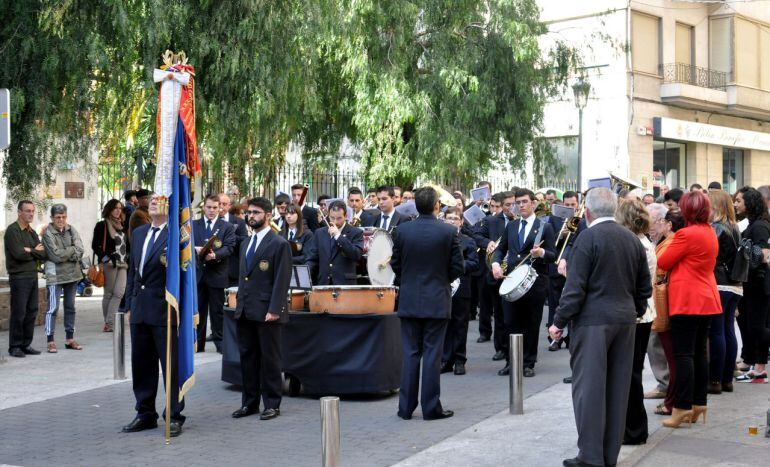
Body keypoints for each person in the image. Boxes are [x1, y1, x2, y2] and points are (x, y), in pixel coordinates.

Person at [549, 187, 651, 467]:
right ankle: (609, 455)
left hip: (593, 322)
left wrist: (558, 322)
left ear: (589, 212)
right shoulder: (632, 239)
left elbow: (575, 288)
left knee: (590, 391)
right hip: (625, 320)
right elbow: (644, 286)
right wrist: (634, 310)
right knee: (618, 391)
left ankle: (591, 456)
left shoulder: (588, 237)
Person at [391, 187, 464, 420]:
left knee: (411, 353)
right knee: (433, 355)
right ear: (436, 206)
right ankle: (431, 408)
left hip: (410, 299)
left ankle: (405, 408)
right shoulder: (448, 232)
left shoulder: (402, 231)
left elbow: (396, 264)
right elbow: (458, 267)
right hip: (437, 300)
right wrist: (442, 280)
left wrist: (409, 281)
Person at [656, 191, 722, 428]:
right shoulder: (709, 232)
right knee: (699, 354)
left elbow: (663, 262)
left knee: (683, 355)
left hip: (687, 299)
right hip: (706, 297)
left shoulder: (685, 234)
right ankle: (698, 403)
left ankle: (681, 407)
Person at [122, 194, 185, 437]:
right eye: (153, 201)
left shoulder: (178, 235)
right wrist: (129, 304)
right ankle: (145, 413)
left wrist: (181, 309)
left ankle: (174, 414)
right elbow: (133, 272)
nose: (155, 203)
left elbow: (188, 275)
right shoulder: (139, 233)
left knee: (170, 366)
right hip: (140, 309)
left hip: (165, 309)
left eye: (161, 200)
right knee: (142, 365)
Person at [231, 197, 292, 421]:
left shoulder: (279, 244)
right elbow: (243, 278)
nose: (251, 216)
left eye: (256, 213)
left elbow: (282, 280)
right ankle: (249, 403)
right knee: (248, 358)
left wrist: (275, 308)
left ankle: (272, 403)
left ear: (268, 215)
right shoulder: (246, 243)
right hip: (246, 309)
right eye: (249, 213)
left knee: (270, 359)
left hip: (268, 311)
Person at [491, 188, 556, 377]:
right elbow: (501, 249)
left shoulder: (544, 227)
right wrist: (496, 264)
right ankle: (511, 362)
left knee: (531, 323)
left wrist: (541, 253)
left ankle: (528, 362)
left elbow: (552, 255)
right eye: (517, 203)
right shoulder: (511, 226)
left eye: (524, 202)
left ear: (533, 203)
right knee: (510, 322)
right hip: (512, 280)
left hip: (535, 282)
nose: (520, 206)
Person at [615, 199, 656, 445]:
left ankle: (634, 430)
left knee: (630, 375)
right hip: (644, 313)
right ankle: (633, 428)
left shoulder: (636, 245)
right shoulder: (643, 242)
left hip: (637, 314)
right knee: (632, 374)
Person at [650, 208, 685, 416]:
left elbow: (659, 267)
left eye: (657, 222)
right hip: (668, 303)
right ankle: (673, 400)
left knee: (673, 358)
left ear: (668, 224)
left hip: (667, 305)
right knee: (673, 357)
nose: (653, 227)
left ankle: (673, 402)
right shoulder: (668, 242)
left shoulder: (671, 242)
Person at [707, 190, 743, 394]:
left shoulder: (716, 229)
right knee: (728, 330)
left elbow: (713, 258)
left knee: (717, 331)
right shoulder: (735, 227)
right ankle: (727, 379)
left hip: (719, 283)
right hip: (735, 285)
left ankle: (715, 380)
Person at [733, 187, 770, 383]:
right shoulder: (753, 224)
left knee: (757, 328)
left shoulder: (759, 226)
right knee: (754, 326)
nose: (736, 204)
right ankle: (759, 368)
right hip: (753, 283)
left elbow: (763, 255)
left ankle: (758, 365)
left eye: (739, 200)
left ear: (750, 202)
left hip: (758, 284)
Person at [472, 191, 515, 356]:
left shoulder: (522, 221)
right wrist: (488, 242)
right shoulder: (490, 220)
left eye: (513, 204)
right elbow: (476, 235)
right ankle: (501, 348)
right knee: (499, 311)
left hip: (516, 270)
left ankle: (519, 349)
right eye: (508, 205)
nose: (511, 208)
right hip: (496, 271)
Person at [193, 194, 236, 353]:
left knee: (217, 311)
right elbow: (185, 244)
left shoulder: (227, 227)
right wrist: (195, 250)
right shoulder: (194, 224)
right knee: (198, 310)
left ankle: (220, 342)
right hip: (199, 274)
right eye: (209, 207)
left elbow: (229, 247)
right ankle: (198, 342)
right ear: (203, 207)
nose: (211, 210)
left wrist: (215, 255)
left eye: (215, 208)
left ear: (220, 208)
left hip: (217, 274)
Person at [4, 201, 47, 357]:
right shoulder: (12, 231)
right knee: (19, 312)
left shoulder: (31, 232)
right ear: (19, 212)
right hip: (19, 277)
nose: (31, 214)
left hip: (32, 276)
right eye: (27, 211)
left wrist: (31, 250)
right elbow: (18, 254)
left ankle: (25, 344)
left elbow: (43, 254)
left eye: (32, 211)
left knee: (32, 311)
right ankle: (14, 346)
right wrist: (33, 251)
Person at [441, 206, 479, 376]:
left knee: (460, 324)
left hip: (462, 287)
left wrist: (457, 267)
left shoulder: (468, 241)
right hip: (443, 287)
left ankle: (459, 360)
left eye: (455, 218)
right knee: (445, 324)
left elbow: (474, 264)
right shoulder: (439, 240)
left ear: (461, 222)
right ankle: (446, 359)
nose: (452, 221)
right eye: (449, 218)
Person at [41, 204, 85, 353]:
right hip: (55, 276)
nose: (61, 220)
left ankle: (69, 339)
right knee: (52, 308)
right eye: (58, 217)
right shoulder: (48, 233)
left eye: (63, 217)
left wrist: (68, 252)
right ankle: (50, 340)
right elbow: (55, 256)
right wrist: (71, 251)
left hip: (73, 275)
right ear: (52, 218)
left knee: (70, 307)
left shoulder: (71, 230)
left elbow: (80, 249)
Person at [546, 190, 579, 351]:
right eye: (567, 205)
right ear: (562, 204)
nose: (570, 207)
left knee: (572, 303)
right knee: (555, 304)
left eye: (573, 205)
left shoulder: (581, 219)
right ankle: (554, 339)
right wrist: (561, 234)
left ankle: (571, 338)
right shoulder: (554, 218)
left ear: (577, 204)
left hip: (575, 267)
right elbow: (549, 242)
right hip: (556, 266)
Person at [305, 200, 364, 285]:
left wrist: (338, 236)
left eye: (339, 218)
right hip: (324, 283)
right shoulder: (319, 233)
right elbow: (312, 258)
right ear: (328, 215)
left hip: (345, 285)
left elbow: (356, 254)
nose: (335, 222)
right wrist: (305, 275)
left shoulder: (356, 232)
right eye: (332, 218)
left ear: (345, 216)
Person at [93, 199, 129, 332]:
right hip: (109, 263)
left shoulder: (122, 225)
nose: (118, 210)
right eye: (115, 208)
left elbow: (126, 244)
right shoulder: (102, 225)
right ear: (109, 209)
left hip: (123, 263)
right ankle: (110, 324)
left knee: (119, 292)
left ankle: (109, 322)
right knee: (109, 293)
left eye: (120, 208)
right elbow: (95, 245)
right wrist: (106, 257)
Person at [219, 192, 249, 288]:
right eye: (219, 204)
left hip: (233, 270)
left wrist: (229, 236)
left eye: (224, 204)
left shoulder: (239, 222)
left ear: (229, 206)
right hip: (214, 271)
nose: (221, 207)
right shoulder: (211, 221)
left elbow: (244, 241)